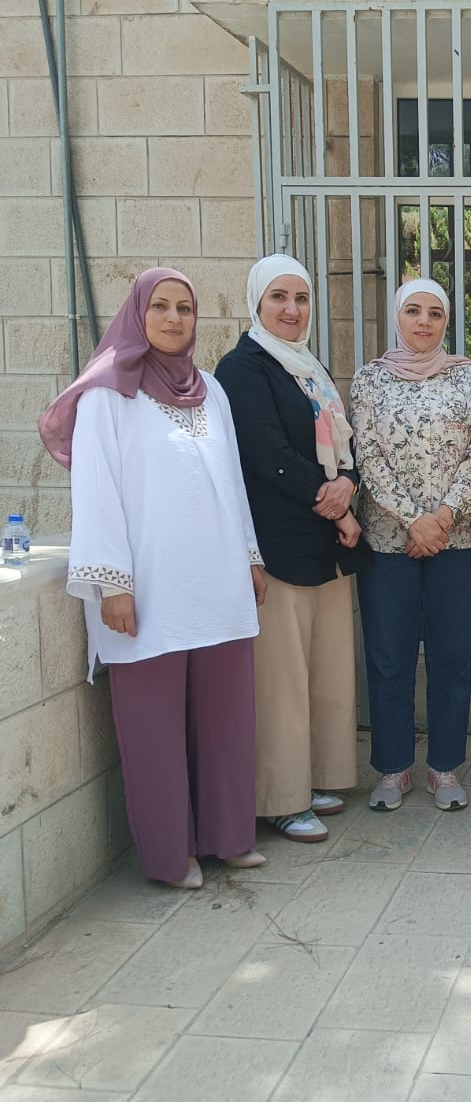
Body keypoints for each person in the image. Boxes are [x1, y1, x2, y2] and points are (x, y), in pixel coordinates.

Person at [38, 269, 266, 889]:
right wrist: (112, 582)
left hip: (216, 582)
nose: (173, 318)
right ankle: (171, 857)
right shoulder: (107, 394)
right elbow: (96, 492)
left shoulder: (212, 391)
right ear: (137, 315)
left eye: (184, 308)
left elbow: (232, 480)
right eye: (160, 306)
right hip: (146, 588)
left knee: (226, 718)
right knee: (151, 727)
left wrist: (249, 556)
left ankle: (229, 837)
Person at [215, 255, 361, 844]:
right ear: (257, 302)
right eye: (279, 297)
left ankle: (317, 777)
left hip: (324, 546)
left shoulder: (308, 366)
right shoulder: (243, 367)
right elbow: (266, 452)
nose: (292, 309)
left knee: (325, 673)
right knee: (281, 680)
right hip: (279, 545)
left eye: (301, 298)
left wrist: (350, 483)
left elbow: (343, 439)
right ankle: (279, 797)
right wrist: (337, 503)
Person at [350, 278, 471, 812]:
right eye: (413, 310)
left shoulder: (469, 377)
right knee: (390, 658)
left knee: (453, 657)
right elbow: (366, 456)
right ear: (397, 317)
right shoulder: (370, 379)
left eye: (435, 312)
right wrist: (414, 521)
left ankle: (444, 766)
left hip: (457, 539)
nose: (424, 321)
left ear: (447, 320)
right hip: (389, 543)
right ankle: (393, 768)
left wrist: (443, 517)